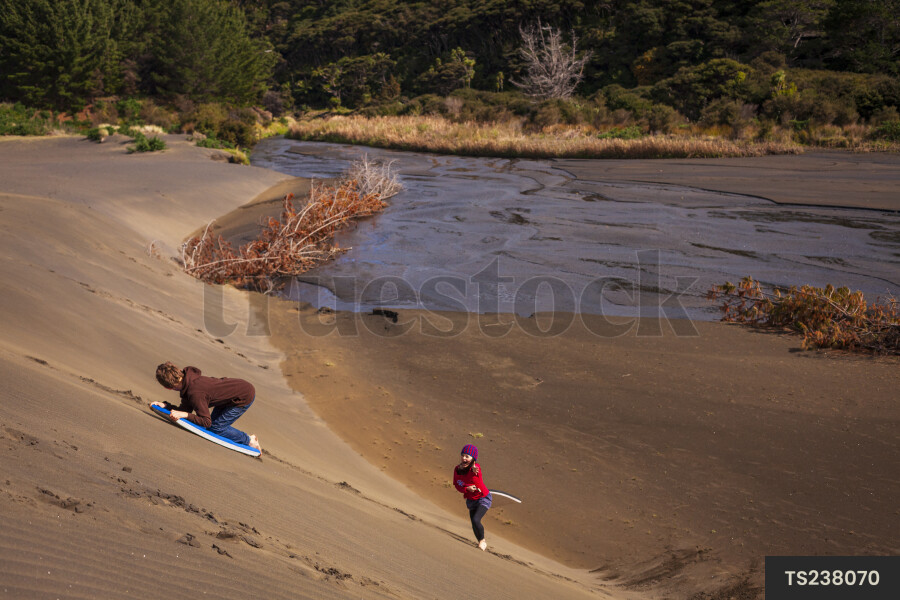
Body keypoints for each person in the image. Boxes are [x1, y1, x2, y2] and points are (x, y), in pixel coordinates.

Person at [150, 361, 261, 453]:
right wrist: (165, 405)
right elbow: (184, 410)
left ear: (169, 387)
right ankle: (248, 439)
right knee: (214, 426)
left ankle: (249, 440)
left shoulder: (195, 393)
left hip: (243, 396)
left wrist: (184, 415)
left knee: (216, 428)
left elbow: (205, 421)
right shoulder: (188, 381)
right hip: (229, 395)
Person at [453, 444, 492, 551]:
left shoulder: (476, 468)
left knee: (476, 519)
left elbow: (477, 476)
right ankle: (480, 541)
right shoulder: (457, 470)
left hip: (483, 498)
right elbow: (457, 485)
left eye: (467, 456)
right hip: (471, 500)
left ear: (473, 458)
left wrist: (474, 469)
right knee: (473, 523)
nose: (464, 458)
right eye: (463, 455)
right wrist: (467, 489)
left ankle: (482, 541)